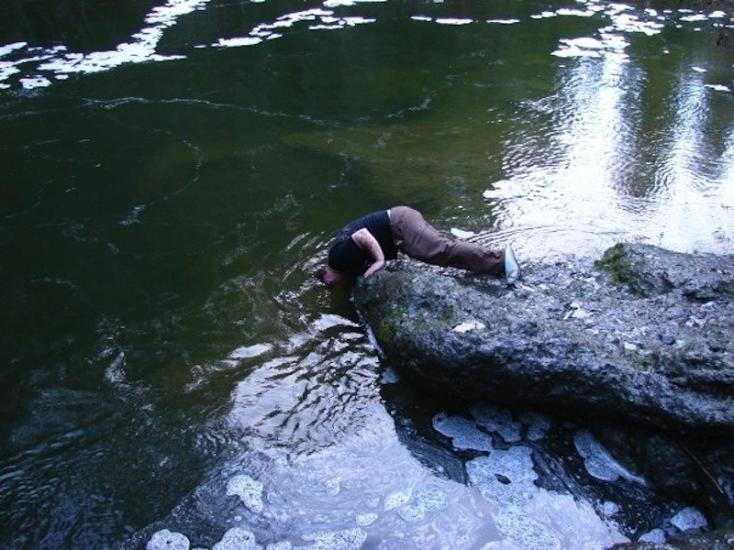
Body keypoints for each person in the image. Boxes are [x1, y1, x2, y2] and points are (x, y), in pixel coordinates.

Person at [316, 206, 520, 287]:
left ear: (327, 272)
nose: (334, 285)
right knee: (432, 254)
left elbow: (362, 235)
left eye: (330, 283)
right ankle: (491, 267)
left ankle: (501, 259)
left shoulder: (337, 258)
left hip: (400, 223)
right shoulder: (344, 263)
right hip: (399, 230)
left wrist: (378, 261)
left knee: (441, 251)